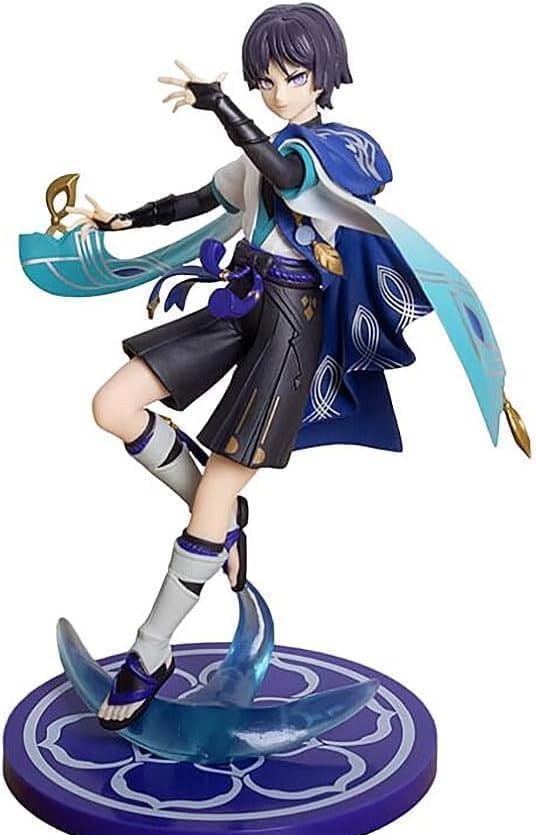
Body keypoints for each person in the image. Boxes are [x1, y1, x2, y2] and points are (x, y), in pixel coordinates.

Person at [67, 2, 437, 730]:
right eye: (264, 81)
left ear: (323, 76)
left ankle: (150, 651)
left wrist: (222, 108)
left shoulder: (338, 150)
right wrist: (121, 222)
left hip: (294, 325)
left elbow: (287, 173)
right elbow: (200, 198)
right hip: (241, 299)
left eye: (292, 77)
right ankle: (221, 523)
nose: (278, 92)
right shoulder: (263, 151)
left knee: (219, 480)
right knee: (114, 406)